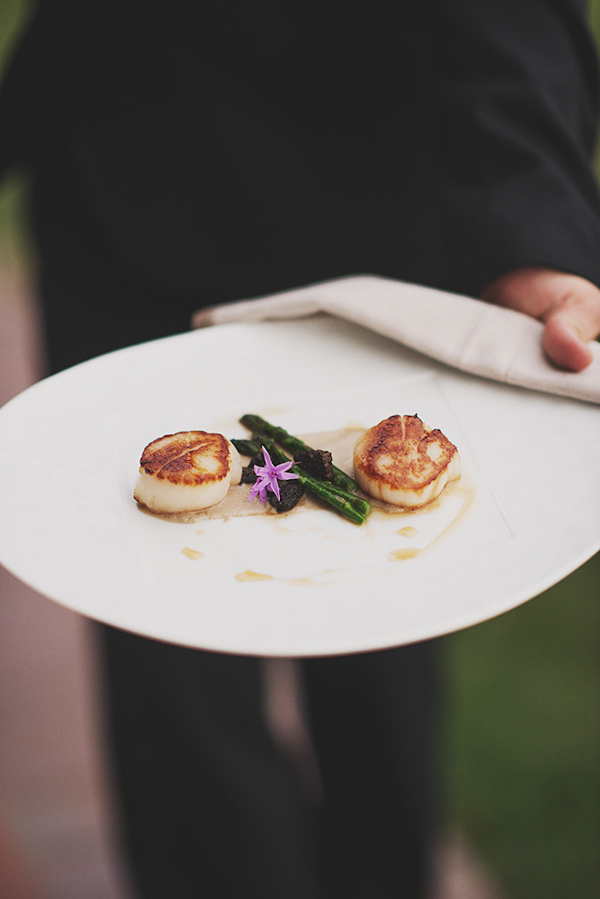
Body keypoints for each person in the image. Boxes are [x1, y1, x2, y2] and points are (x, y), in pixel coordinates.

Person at [1, 2, 600, 897]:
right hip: (125, 173)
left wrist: (530, 233)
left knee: (383, 626)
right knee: (170, 676)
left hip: (371, 226)